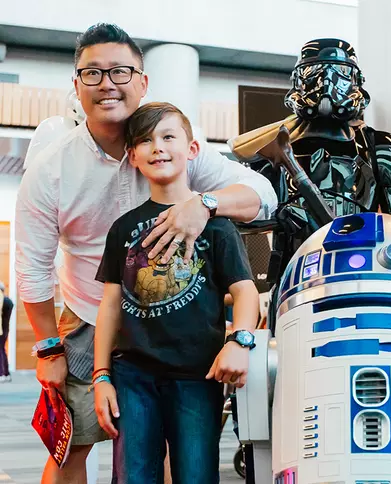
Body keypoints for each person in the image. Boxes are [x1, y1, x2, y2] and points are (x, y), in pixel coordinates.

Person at [15, 23, 277, 484]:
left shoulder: (175, 149)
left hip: (177, 326)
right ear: (76, 85)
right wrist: (47, 346)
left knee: (179, 449)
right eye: (92, 73)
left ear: (142, 80)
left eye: (120, 71)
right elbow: (32, 267)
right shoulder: (50, 167)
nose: (107, 83)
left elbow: (262, 192)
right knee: (70, 447)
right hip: (89, 314)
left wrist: (205, 203)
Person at [93, 101, 259, 483]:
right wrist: (101, 376)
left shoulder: (217, 227)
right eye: (146, 141)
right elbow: (111, 305)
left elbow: (246, 291)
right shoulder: (123, 228)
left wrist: (241, 341)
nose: (158, 147)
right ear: (132, 156)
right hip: (132, 375)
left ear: (192, 149)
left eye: (169, 137)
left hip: (197, 376)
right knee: (133, 476)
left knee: (196, 474)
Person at [0, 281, 13, 382]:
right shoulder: (8, 300)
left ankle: (2, 373)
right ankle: (6, 373)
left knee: (1, 350)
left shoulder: (3, 301)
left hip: (1, 329)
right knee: (2, 350)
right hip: (5, 328)